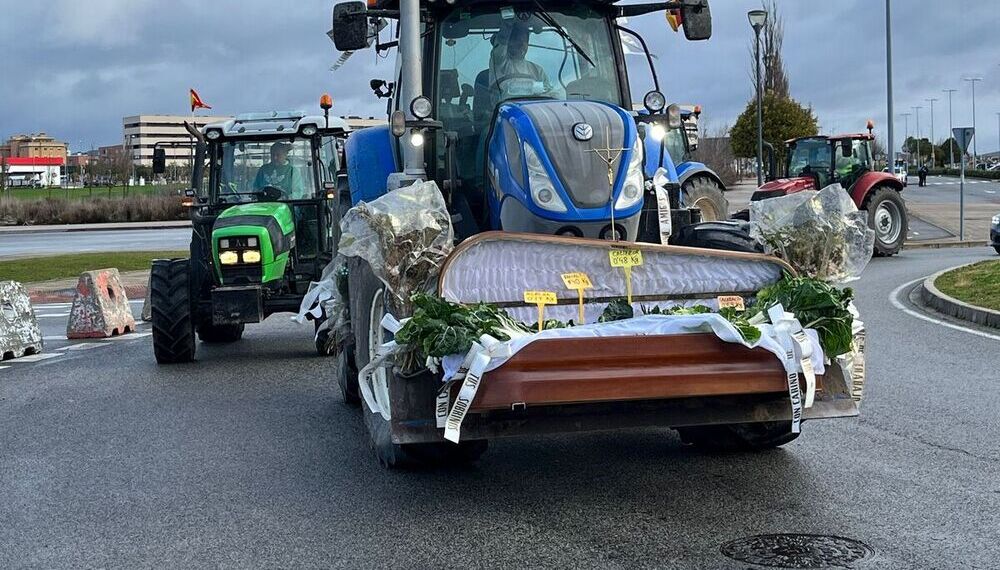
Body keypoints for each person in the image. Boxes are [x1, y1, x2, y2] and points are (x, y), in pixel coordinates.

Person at [488, 23, 556, 99]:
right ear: (508, 42)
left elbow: (548, 94)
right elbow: (500, 48)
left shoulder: (537, 70)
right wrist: (508, 23)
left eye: (525, 41)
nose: (522, 45)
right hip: (502, 109)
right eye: (517, 40)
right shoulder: (499, 62)